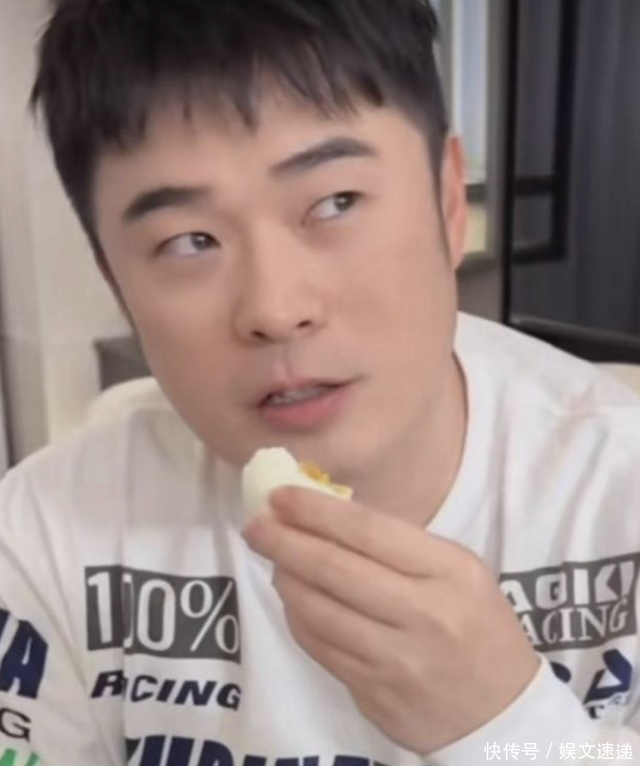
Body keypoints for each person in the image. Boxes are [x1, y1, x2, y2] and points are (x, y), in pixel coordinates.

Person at [1, 0, 640, 764]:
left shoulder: (617, 494)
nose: (275, 310)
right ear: (116, 281)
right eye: (189, 240)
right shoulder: (45, 536)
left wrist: (511, 730)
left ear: (446, 200)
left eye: (336, 203)